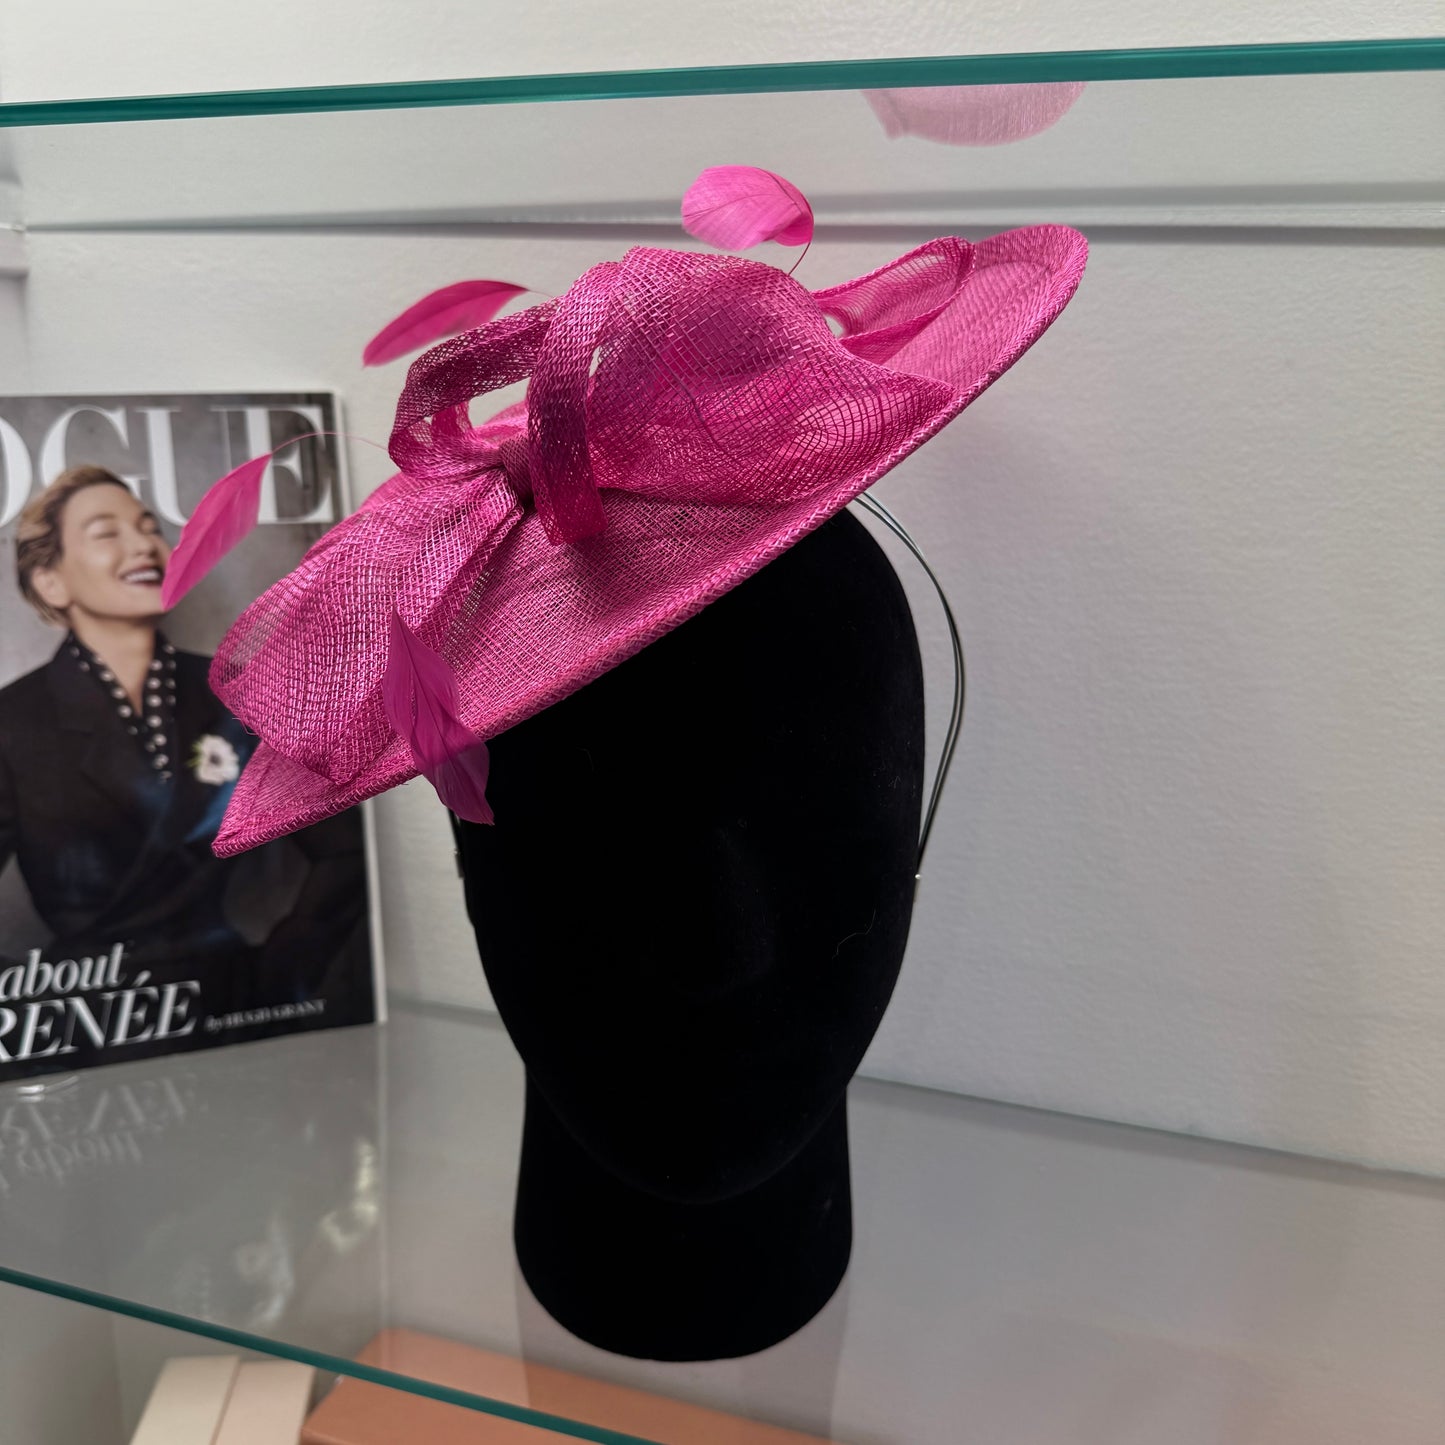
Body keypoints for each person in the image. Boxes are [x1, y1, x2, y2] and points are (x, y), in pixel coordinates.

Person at [0, 465, 372, 1058]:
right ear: (51, 582)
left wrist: (279, 972)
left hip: (231, 1013)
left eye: (149, 527)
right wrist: (26, 1010)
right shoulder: (12, 720)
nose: (145, 545)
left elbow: (348, 851)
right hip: (87, 1024)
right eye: (107, 532)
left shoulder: (240, 690)